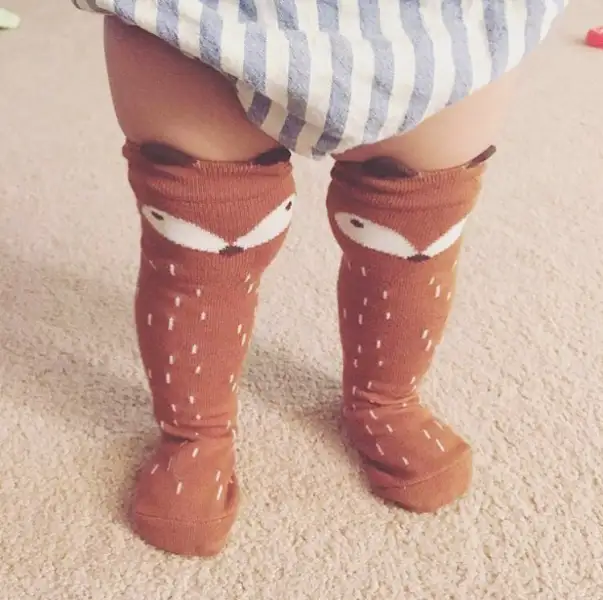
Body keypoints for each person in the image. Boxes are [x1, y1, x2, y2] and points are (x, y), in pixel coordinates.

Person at [71, 0, 568, 556]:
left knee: (415, 225)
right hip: (200, 16)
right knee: (203, 233)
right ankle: (194, 432)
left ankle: (386, 399)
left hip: (436, 23)